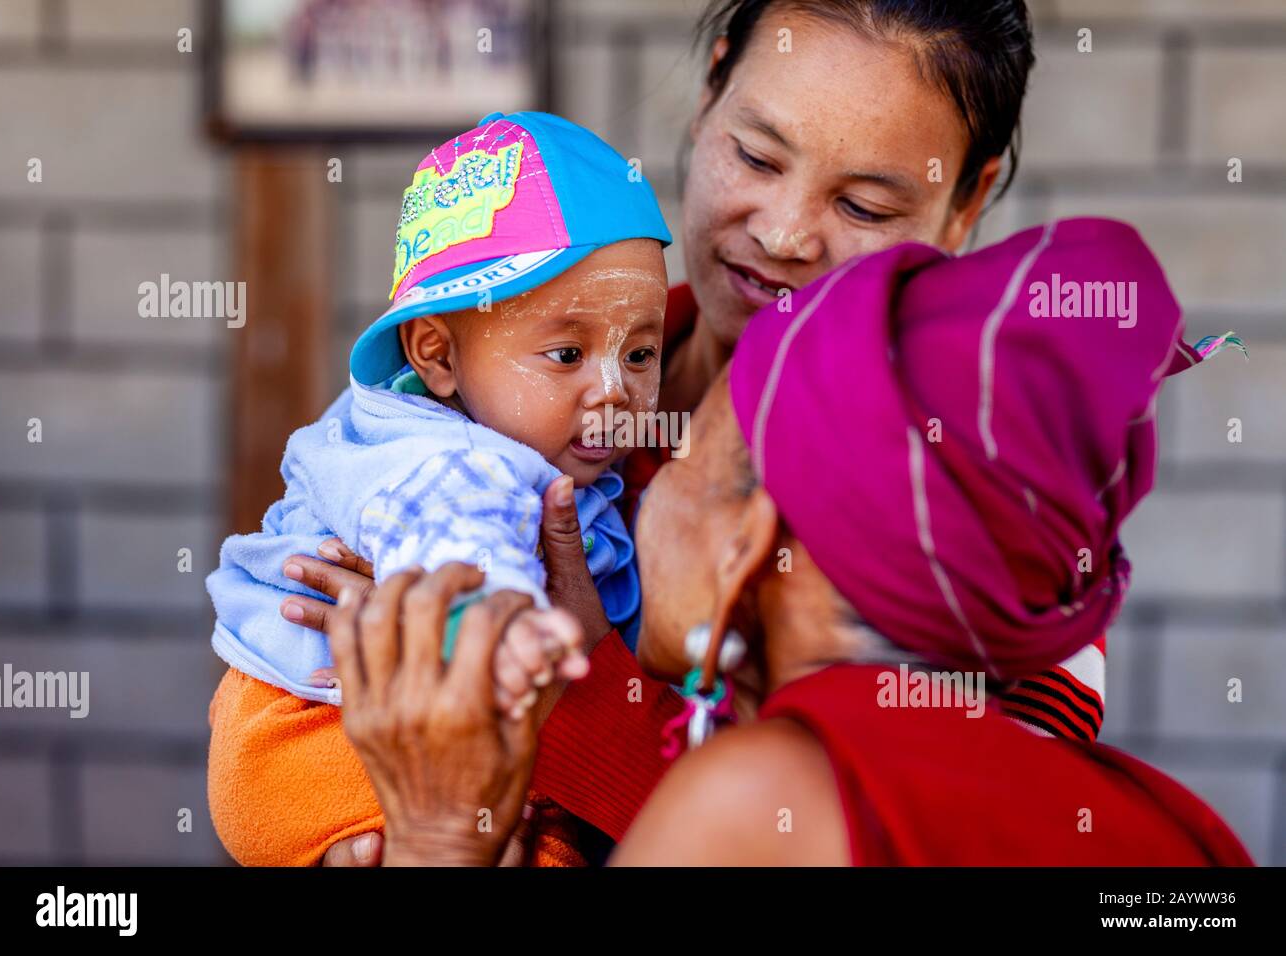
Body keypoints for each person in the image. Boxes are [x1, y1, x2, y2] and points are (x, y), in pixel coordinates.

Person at [207, 0, 1141, 865]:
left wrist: (577, 702)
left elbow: (928, 842)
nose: (782, 234)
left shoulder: (985, 488)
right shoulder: (477, 419)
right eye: (760, 158)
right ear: (710, 96)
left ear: (967, 200)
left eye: (863, 206)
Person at [325, 217, 1253, 866]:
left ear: (748, 544)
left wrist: (440, 838)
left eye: (682, 461)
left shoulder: (756, 800)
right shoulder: (1176, 830)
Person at [205, 111, 672, 863]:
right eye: (566, 353)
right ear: (438, 357)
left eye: (642, 352)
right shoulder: (451, 463)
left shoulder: (499, 430)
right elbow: (463, 552)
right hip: (316, 739)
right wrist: (507, 633)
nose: (615, 390)